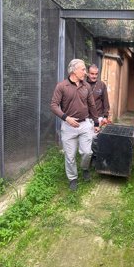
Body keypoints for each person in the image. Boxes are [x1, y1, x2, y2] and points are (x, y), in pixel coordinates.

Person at [50, 59, 100, 191]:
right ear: (73, 70)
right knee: (70, 156)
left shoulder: (86, 86)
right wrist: (66, 118)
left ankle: (84, 168)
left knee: (87, 152)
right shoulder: (62, 86)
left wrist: (96, 122)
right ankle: (73, 178)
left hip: (85, 124)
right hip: (68, 127)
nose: (86, 72)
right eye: (83, 69)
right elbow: (54, 105)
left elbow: (92, 105)